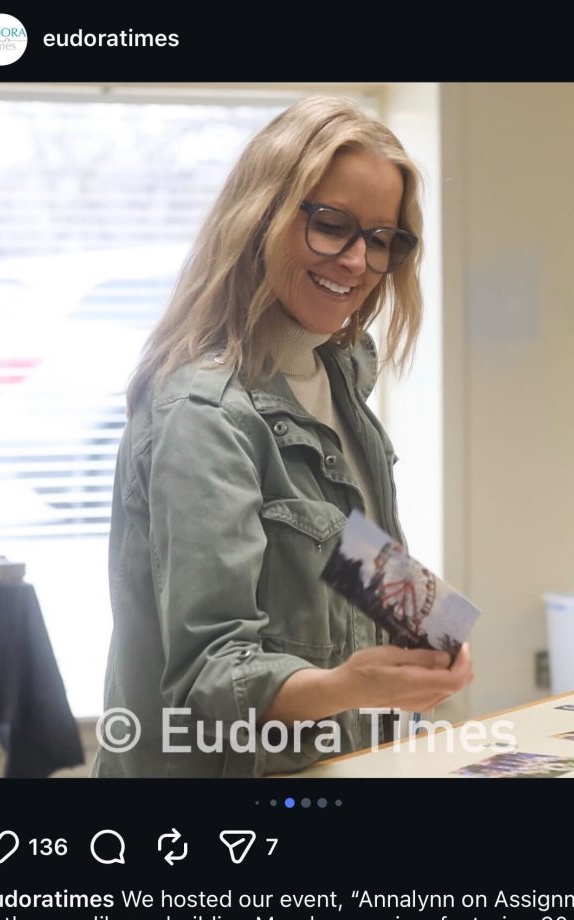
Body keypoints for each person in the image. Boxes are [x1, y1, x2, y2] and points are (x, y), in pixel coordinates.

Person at [91, 95, 473, 779]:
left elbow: (338, 542)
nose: (358, 261)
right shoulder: (203, 414)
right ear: (259, 217)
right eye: (333, 226)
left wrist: (432, 624)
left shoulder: (337, 373)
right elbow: (210, 682)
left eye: (383, 239)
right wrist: (358, 686)